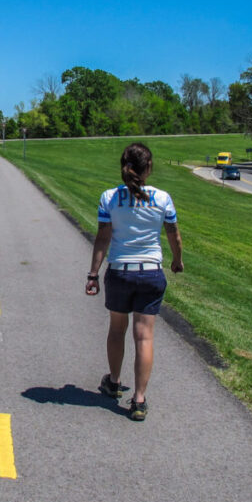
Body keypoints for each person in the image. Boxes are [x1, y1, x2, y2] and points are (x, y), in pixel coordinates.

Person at [85, 142, 183, 421]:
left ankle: (114, 381)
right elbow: (174, 235)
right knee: (144, 336)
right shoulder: (163, 198)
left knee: (117, 330)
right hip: (151, 272)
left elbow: (103, 237)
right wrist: (177, 260)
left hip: (120, 271)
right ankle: (139, 400)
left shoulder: (110, 197)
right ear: (148, 168)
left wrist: (93, 274)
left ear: (123, 167)